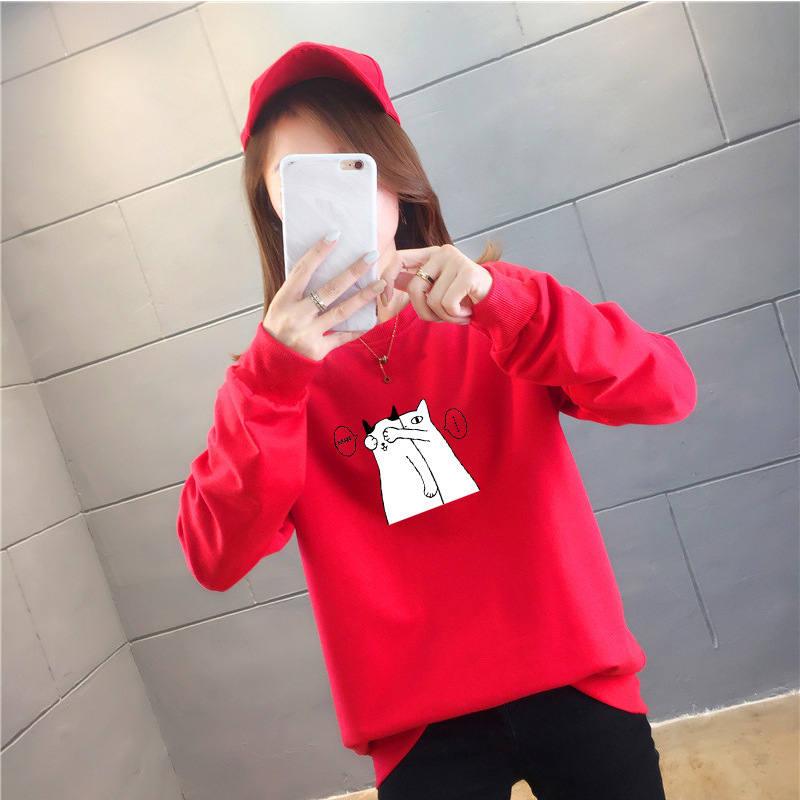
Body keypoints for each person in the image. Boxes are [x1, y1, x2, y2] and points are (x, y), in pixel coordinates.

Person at [177, 42, 696, 800]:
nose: (337, 197)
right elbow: (213, 557)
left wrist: (506, 304)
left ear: (396, 174)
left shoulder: (497, 311)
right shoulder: (271, 384)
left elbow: (666, 390)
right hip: (418, 728)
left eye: (352, 165)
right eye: (299, 176)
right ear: (270, 202)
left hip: (577, 681)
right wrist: (272, 378)